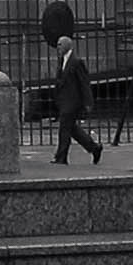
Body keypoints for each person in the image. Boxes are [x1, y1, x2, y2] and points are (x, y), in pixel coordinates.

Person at [53, 29, 104, 165]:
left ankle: (61, 157)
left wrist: (88, 102)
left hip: (73, 101)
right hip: (64, 101)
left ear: (67, 46)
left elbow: (84, 83)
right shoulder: (62, 60)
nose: (57, 47)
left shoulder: (76, 62)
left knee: (64, 129)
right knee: (72, 129)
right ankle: (94, 148)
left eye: (60, 45)